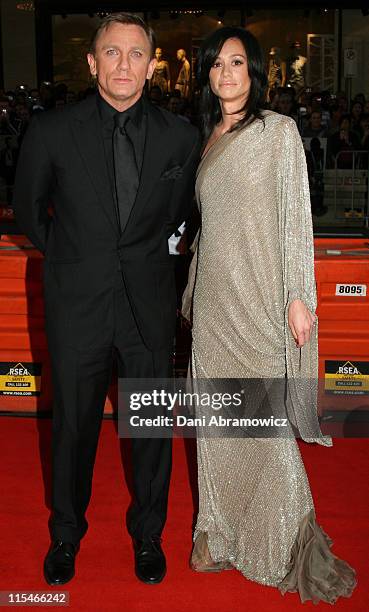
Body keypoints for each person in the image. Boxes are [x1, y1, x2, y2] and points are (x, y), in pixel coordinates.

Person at [13, 12, 200, 587]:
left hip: (147, 307)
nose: (124, 64)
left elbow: (186, 217)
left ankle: (148, 535)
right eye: (112, 52)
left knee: (149, 427)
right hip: (77, 305)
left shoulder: (180, 136)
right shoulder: (50, 131)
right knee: (73, 427)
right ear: (92, 62)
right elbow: (28, 211)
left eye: (136, 53)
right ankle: (65, 534)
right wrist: (74, 259)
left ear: (152, 63)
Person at [182, 26, 356, 605]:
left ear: (255, 72)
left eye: (237, 63)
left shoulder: (276, 132)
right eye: (216, 64)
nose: (226, 73)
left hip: (258, 300)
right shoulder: (208, 137)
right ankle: (219, 533)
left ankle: (284, 543)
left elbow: (294, 217)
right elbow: (211, 223)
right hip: (212, 304)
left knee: (265, 425)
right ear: (206, 74)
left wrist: (298, 296)